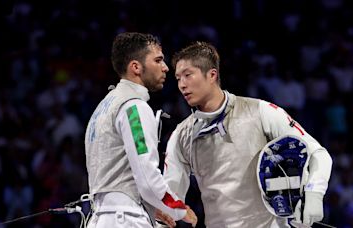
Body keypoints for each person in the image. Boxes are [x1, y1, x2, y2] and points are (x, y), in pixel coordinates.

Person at [163, 41, 333, 227]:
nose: (182, 85)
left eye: (188, 75)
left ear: (212, 75)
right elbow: (169, 196)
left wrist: (314, 194)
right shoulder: (182, 135)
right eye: (178, 78)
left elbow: (318, 154)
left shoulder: (260, 111)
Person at [84, 32, 197, 228]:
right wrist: (178, 209)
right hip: (126, 220)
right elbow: (146, 176)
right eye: (158, 60)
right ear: (136, 67)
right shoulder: (134, 107)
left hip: (102, 219)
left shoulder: (103, 107)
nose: (165, 68)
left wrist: (154, 208)